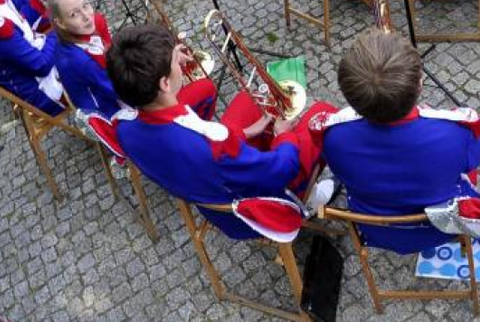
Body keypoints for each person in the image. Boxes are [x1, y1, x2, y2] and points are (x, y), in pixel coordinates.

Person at [107, 24, 336, 240]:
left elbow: (201, 142)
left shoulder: (123, 129)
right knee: (324, 114)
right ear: (165, 84)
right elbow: (280, 170)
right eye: (176, 63)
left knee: (249, 98)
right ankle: (307, 200)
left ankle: (269, 138)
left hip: (205, 182)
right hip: (254, 208)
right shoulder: (214, 142)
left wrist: (245, 133)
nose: (181, 64)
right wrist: (283, 136)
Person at [309, 30, 480, 252]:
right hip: (441, 228)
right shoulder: (455, 132)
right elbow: (477, 156)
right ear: (419, 85)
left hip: (374, 230)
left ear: (349, 96)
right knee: (467, 170)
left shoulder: (332, 136)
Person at [46, 0, 120, 118]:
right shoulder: (81, 60)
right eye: (74, 14)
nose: (86, 16)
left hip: (105, 84)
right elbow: (116, 91)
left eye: (86, 5)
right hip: (106, 111)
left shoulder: (76, 32)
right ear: (60, 23)